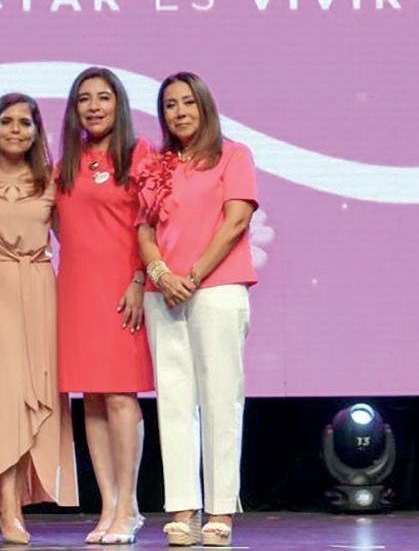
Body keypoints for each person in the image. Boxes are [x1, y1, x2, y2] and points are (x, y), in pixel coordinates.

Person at [136, 72, 258, 549]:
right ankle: (182, 509)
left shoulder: (233, 154)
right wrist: (162, 274)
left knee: (221, 398)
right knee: (173, 401)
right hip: (164, 292)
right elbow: (144, 230)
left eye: (188, 102)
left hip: (216, 289)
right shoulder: (156, 164)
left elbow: (236, 220)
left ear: (204, 106)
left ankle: (221, 508)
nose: (180, 112)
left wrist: (193, 274)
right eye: (170, 105)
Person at [0, 93, 78, 544]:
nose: (16, 130)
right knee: (1, 399)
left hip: (40, 290)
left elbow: (74, 238)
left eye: (25, 123)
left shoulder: (52, 179)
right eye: (7, 121)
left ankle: (21, 497)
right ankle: (7, 503)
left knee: (33, 396)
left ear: (36, 131)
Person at [54, 67, 154, 545]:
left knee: (119, 397)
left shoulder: (140, 154)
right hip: (76, 290)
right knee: (91, 398)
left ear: (119, 105)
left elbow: (150, 223)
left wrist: (138, 278)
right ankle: (108, 505)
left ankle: (129, 505)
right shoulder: (66, 163)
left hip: (122, 289)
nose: (93, 107)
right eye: (84, 99)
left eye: (103, 98)